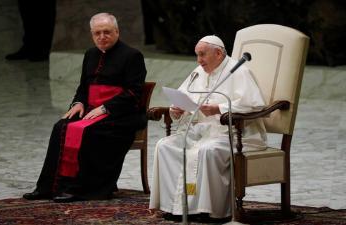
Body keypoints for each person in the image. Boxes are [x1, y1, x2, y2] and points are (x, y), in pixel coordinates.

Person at [23, 12, 147, 202]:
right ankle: (49, 187)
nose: (102, 37)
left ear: (117, 32)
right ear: (92, 34)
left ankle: (79, 189)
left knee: (90, 132)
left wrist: (106, 108)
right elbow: (83, 87)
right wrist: (78, 103)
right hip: (90, 110)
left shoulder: (132, 56)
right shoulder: (90, 54)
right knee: (60, 127)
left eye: (107, 32)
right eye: (97, 33)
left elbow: (133, 93)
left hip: (121, 114)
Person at [149, 35, 267, 218]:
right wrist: (177, 109)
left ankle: (209, 211)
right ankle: (175, 207)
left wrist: (218, 109)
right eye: (197, 55)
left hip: (234, 134)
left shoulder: (238, 71)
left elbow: (254, 105)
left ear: (218, 53)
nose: (199, 60)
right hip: (202, 130)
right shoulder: (199, 71)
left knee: (207, 150)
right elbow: (183, 96)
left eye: (202, 55)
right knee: (165, 146)